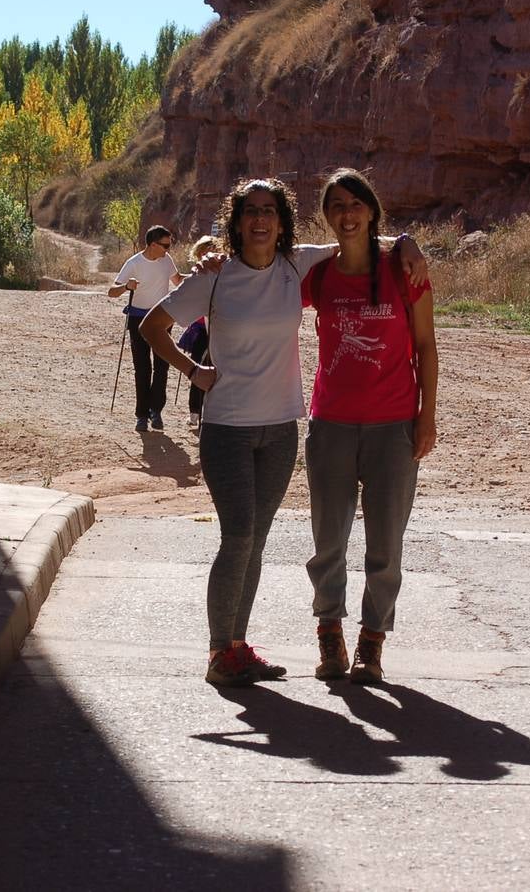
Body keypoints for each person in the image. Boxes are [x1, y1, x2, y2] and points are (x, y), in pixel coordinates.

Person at [140, 177, 428, 687]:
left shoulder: (299, 265)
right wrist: (193, 372)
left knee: (265, 540)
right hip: (244, 425)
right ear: (236, 220)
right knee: (245, 536)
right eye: (250, 211)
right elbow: (152, 325)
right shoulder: (232, 276)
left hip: (288, 428)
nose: (259, 220)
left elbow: (362, 240)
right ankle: (229, 650)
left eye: (269, 211)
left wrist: (406, 243)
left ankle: (250, 647)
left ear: (283, 221)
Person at [301, 168, 438, 685]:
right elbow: (265, 281)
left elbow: (425, 346)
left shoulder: (406, 270)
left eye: (356, 203)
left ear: (372, 209)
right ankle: (329, 634)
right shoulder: (317, 274)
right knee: (328, 540)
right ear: (327, 215)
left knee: (385, 545)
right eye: (336, 204)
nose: (347, 213)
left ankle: (371, 643)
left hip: (393, 426)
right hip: (331, 424)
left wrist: (426, 416)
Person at [108, 226, 184, 432]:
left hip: (162, 319)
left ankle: (156, 411)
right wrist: (126, 287)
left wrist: (199, 277)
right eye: (165, 245)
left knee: (163, 366)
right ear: (153, 244)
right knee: (143, 368)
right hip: (138, 319)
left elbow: (177, 281)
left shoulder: (166, 260)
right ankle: (141, 415)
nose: (168, 249)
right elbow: (111, 292)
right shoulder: (133, 263)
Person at [176, 236, 220, 429]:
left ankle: (211, 413)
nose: (208, 254)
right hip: (200, 328)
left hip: (220, 328)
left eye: (212, 249)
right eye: (205, 250)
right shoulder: (197, 273)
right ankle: (195, 412)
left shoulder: (223, 271)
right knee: (197, 368)